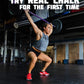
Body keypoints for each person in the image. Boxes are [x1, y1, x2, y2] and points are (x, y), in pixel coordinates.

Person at [24, 10, 53, 80]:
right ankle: (29, 73)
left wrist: (51, 26)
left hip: (39, 53)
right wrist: (26, 12)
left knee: (49, 60)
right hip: (32, 51)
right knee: (34, 58)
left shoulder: (47, 35)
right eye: (48, 28)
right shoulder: (39, 33)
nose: (49, 29)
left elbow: (51, 31)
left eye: (50, 28)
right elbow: (32, 22)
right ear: (44, 28)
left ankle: (43, 71)